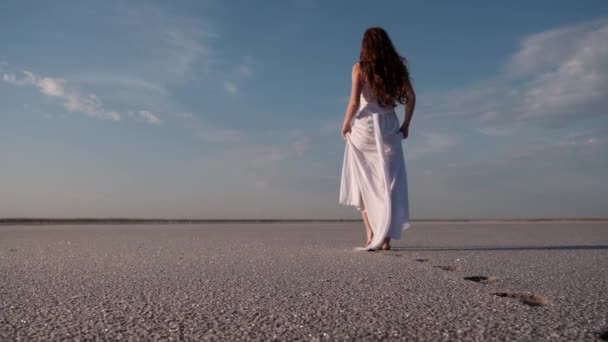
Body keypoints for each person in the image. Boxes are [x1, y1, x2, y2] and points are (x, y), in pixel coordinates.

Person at [339, 27, 416, 251]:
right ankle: (386, 238)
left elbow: (354, 102)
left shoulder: (359, 68)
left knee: (364, 180)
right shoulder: (397, 69)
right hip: (389, 127)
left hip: (365, 129)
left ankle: (371, 232)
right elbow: (411, 97)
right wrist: (406, 124)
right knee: (388, 184)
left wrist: (345, 124)